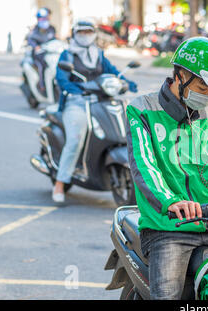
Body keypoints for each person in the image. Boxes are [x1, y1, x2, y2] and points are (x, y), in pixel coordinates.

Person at [125, 37, 208, 299]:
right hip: (168, 227)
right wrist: (170, 201)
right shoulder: (142, 110)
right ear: (180, 74)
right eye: (204, 85)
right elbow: (144, 165)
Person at [52, 19, 138, 203]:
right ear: (74, 34)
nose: (85, 35)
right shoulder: (67, 55)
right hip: (77, 103)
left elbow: (113, 71)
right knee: (75, 138)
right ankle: (60, 182)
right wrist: (78, 89)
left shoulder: (98, 54)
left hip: (100, 101)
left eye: (88, 32)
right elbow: (61, 79)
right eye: (81, 32)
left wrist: (127, 83)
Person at [27, 7, 56, 93]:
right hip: (39, 55)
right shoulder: (35, 30)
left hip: (50, 53)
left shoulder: (51, 28)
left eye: (46, 18)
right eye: (42, 18)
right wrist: (36, 46)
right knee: (41, 66)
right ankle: (42, 85)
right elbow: (30, 40)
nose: (45, 20)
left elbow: (54, 38)